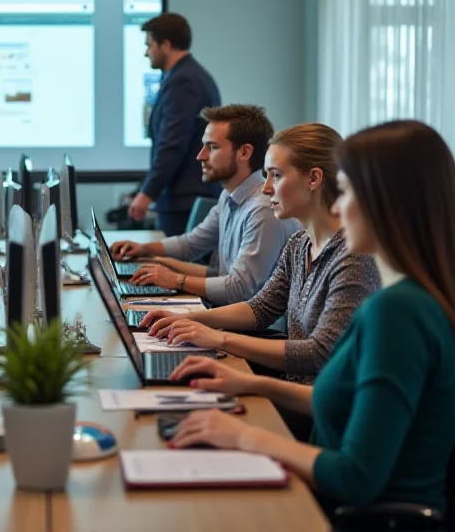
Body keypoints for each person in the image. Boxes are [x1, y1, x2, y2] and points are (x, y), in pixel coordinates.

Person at [167, 120, 455, 513]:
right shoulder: (415, 301)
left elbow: (355, 477)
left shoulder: (397, 312)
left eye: (348, 192)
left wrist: (246, 437)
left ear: (386, 202)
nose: (337, 206)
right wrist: (246, 383)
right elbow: (342, 398)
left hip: (345, 513)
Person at [141, 124, 380, 385]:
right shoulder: (299, 244)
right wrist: (187, 320)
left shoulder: (353, 257)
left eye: (276, 176)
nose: (266, 189)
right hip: (291, 387)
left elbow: (320, 354)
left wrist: (221, 338)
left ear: (313, 178)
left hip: (318, 410)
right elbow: (261, 309)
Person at [112, 105, 301, 306]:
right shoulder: (229, 196)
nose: (200, 155)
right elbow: (192, 245)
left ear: (244, 153)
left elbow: (240, 289)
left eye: (212, 147)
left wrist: (176, 279)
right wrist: (145, 252)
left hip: (249, 327)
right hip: (226, 312)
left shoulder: (262, 209)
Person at [127, 12, 222, 236]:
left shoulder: (184, 81)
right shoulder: (184, 75)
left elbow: (172, 142)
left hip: (185, 199)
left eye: (149, 45)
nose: (146, 52)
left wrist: (147, 193)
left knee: (175, 266)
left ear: (166, 45)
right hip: (186, 196)